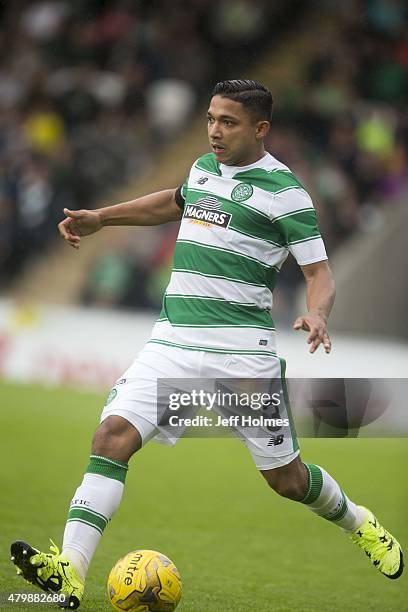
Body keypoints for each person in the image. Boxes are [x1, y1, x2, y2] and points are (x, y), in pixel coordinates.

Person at [10, 80, 403, 609]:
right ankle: (70, 573)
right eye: (211, 119)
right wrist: (102, 218)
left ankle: (359, 522)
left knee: (286, 479)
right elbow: (171, 203)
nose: (215, 131)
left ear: (260, 128)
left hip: (241, 357)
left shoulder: (286, 193)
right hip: (171, 341)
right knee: (112, 436)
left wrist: (316, 312)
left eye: (228, 122)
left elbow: (319, 272)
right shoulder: (203, 168)